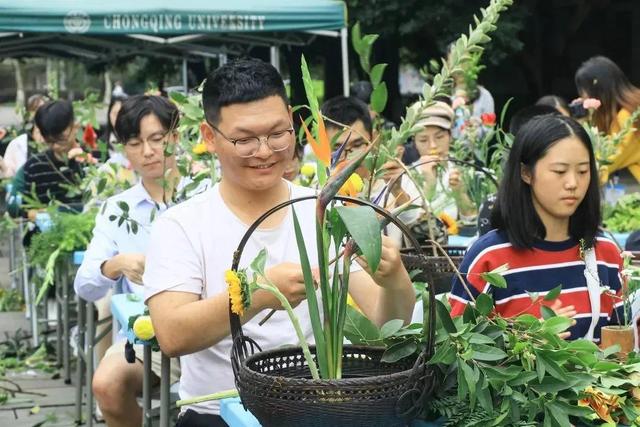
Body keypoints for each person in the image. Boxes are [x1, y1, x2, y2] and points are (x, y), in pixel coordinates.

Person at [144, 58, 415, 425]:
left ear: (292, 120)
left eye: (277, 133)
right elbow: (172, 334)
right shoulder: (182, 225)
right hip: (220, 412)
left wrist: (394, 279)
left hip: (320, 406)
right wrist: (255, 296)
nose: (265, 151)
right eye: (245, 139)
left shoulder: (319, 211)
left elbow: (387, 324)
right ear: (210, 138)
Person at [75, 95, 196, 427]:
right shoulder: (118, 210)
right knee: (106, 384)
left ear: (175, 137)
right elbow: (85, 284)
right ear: (124, 150)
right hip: (149, 341)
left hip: (209, 337)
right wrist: (116, 265)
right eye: (135, 142)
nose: (148, 151)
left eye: (157, 139)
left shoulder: (204, 193)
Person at [450, 115, 624, 342]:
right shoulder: (489, 258)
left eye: (583, 171)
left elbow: (622, 347)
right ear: (526, 173)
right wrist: (524, 340)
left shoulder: (605, 253)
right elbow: (454, 346)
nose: (573, 183)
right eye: (560, 171)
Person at [575, 56, 640, 182]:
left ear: (599, 90)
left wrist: (580, 123)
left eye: (584, 91)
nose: (583, 97)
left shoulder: (627, 118)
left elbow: (604, 162)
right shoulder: (633, 104)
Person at [21, 100, 85, 208]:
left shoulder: (92, 161)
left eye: (61, 140)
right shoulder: (35, 166)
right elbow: (27, 209)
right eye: (49, 141)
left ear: (75, 127)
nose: (55, 146)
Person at [0, 94, 48, 178]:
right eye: (35, 109)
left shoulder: (58, 142)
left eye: (43, 109)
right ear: (28, 113)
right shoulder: (18, 142)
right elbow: (9, 173)